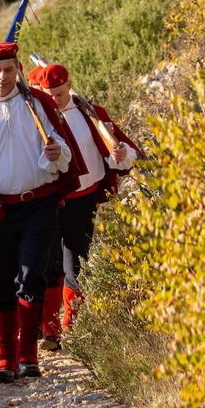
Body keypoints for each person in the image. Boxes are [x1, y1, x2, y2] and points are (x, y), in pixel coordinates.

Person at [0, 41, 85, 382]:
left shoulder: (37, 103)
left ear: (17, 71)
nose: (2, 77)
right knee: (4, 283)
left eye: (8, 70)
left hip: (38, 204)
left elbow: (62, 145)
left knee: (32, 277)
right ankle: (6, 357)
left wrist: (58, 154)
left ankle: (28, 355)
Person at [26, 63, 139, 349]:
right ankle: (48, 329)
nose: (56, 100)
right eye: (50, 95)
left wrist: (121, 153)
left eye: (61, 94)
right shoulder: (33, 120)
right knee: (48, 263)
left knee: (77, 261)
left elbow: (123, 151)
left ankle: (72, 327)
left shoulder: (91, 113)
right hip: (49, 201)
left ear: (69, 86)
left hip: (84, 199)